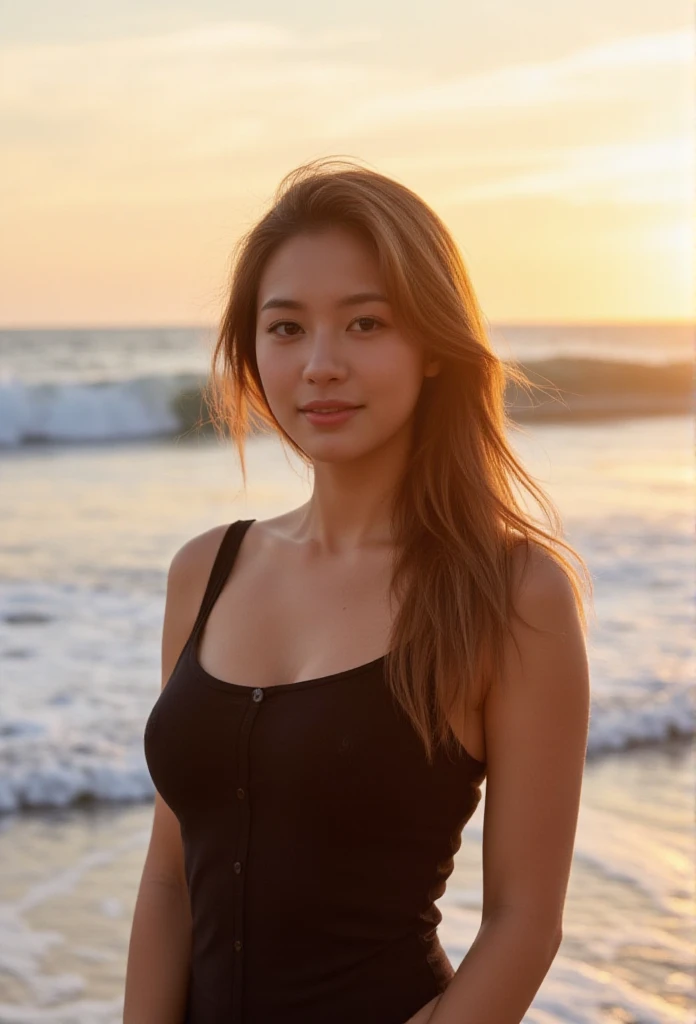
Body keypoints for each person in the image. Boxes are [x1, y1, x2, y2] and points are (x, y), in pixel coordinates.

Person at [123, 157, 592, 1024]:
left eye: (366, 324)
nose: (320, 365)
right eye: (287, 327)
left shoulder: (512, 591)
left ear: (436, 351)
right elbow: (168, 879)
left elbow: (525, 926)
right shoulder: (205, 571)